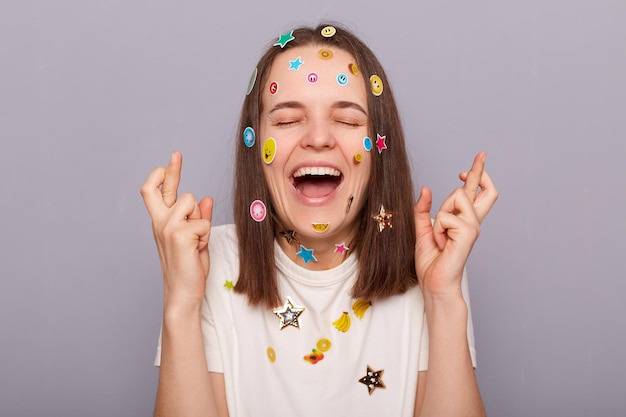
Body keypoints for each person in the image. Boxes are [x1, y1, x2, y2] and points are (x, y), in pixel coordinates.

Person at [141, 23, 497, 417]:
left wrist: (443, 298)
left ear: (380, 147)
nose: (318, 137)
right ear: (255, 144)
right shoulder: (210, 264)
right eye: (288, 120)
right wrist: (181, 301)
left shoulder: (426, 261)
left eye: (347, 120)